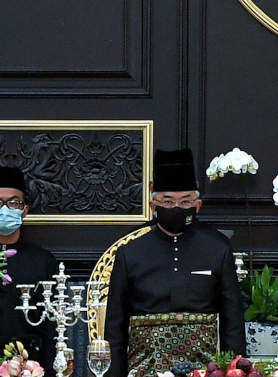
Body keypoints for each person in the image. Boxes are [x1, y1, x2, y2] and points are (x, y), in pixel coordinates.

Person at [105, 148, 246, 377]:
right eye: (168, 202)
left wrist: (234, 371)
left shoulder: (217, 248)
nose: (177, 208)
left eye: (185, 201)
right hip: (144, 369)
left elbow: (233, 323)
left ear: (198, 205)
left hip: (204, 370)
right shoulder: (129, 253)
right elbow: (115, 329)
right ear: (153, 207)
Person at [0, 166, 58, 376]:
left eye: (13, 202)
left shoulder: (43, 262)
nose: (4, 208)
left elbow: (52, 328)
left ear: (24, 210)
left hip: (30, 366)